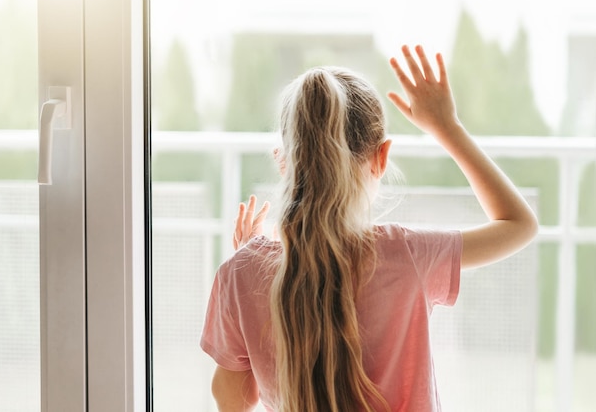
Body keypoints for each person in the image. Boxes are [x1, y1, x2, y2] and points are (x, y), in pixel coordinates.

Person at [200, 45, 538, 412]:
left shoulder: (238, 275)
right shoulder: (409, 256)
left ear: (283, 162)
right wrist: (447, 128)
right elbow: (518, 224)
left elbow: (234, 399)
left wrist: (249, 266)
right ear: (381, 157)